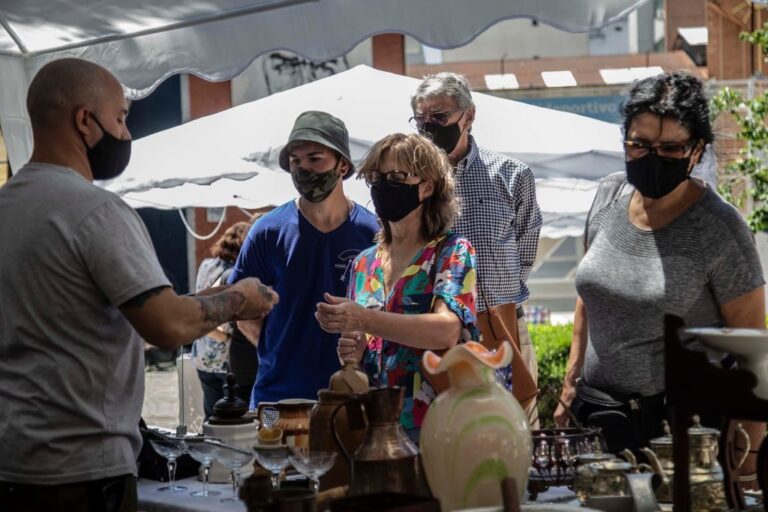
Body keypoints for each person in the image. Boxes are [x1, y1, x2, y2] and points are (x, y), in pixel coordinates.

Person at [0, 58, 278, 512]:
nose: (127, 134)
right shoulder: (95, 211)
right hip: (81, 470)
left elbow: (121, 312)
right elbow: (166, 326)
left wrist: (210, 297)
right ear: (85, 122)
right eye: (121, 118)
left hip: (13, 462)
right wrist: (239, 299)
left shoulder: (8, 207)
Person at [553, 72, 765, 465]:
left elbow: (754, 352)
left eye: (670, 149)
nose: (652, 157)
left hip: (680, 434)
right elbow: (589, 299)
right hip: (598, 420)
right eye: (639, 145)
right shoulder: (608, 196)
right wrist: (570, 387)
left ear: (697, 150)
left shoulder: (720, 229)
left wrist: (746, 461)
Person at [316, 133, 480, 443]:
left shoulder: (452, 251)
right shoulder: (364, 263)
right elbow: (368, 342)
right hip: (377, 429)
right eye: (376, 178)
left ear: (428, 186)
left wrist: (363, 319)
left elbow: (446, 330)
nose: (382, 186)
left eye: (397, 177)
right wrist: (356, 347)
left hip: (440, 426)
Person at [410, 72, 543, 421]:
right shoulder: (409, 182)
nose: (429, 127)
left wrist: (495, 299)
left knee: (516, 433)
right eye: (421, 119)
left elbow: (526, 252)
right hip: (436, 332)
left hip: (502, 325)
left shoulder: (512, 175)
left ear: (468, 116)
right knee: (445, 438)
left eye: (439, 117)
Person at [230, 111, 379, 407]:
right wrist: (279, 350)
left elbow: (386, 310)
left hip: (353, 398)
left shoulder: (372, 231)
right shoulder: (267, 231)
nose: (304, 169)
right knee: (270, 453)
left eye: (315, 158)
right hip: (275, 400)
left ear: (343, 165)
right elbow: (243, 310)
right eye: (296, 162)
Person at [192, 221, 251, 420]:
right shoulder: (232, 274)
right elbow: (222, 319)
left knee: (211, 417)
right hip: (224, 360)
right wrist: (229, 339)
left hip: (201, 355)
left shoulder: (206, 265)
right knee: (229, 418)